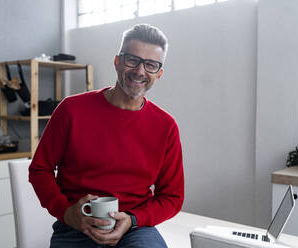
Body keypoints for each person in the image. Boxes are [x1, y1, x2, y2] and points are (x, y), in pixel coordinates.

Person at [29, 23, 184, 248]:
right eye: (132, 60)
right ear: (117, 61)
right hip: (76, 225)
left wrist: (133, 219)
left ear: (158, 74)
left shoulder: (166, 126)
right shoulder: (71, 110)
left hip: (134, 228)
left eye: (150, 65)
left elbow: (172, 197)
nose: (140, 71)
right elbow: (40, 169)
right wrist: (66, 212)